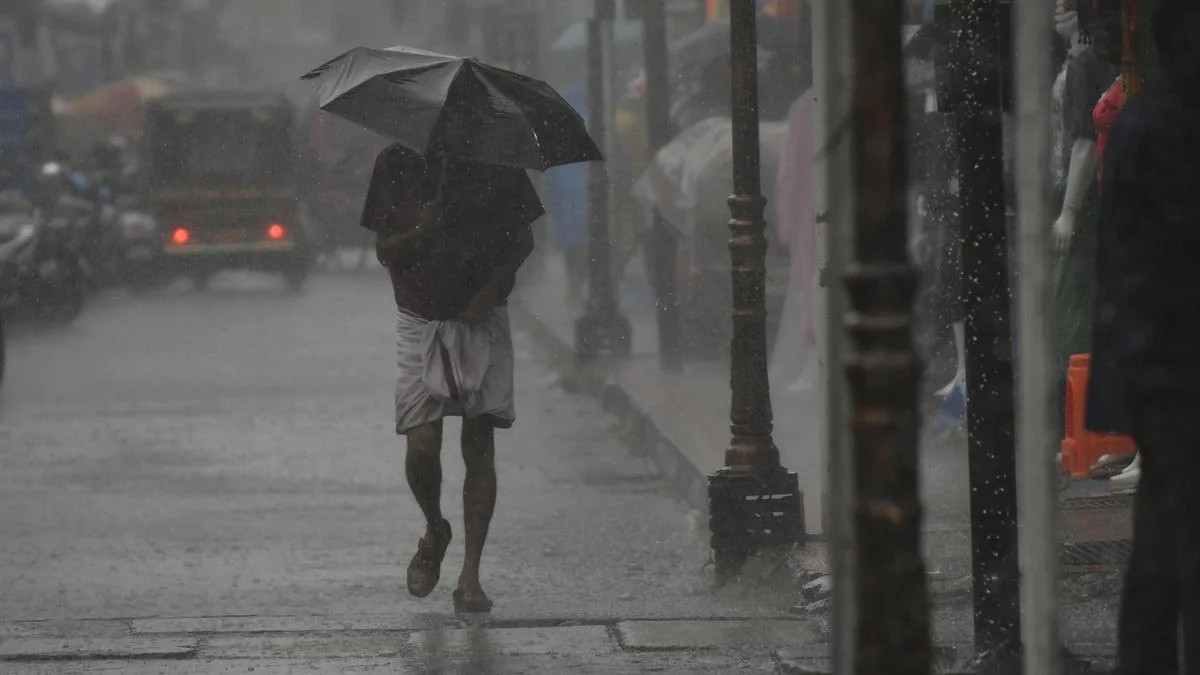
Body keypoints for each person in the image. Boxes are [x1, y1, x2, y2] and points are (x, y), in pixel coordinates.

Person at [360, 144, 543, 614]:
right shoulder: (395, 162)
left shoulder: (496, 160)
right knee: (421, 442)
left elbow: (523, 240)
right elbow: (384, 250)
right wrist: (426, 226)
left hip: (480, 317)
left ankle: (470, 576)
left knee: (479, 443)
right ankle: (435, 526)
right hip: (419, 319)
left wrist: (489, 290)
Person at [1084, 0, 1200, 669]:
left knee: (1159, 534)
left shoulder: (1145, 119)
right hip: (1181, 366)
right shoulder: (1176, 121)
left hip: (1155, 368)